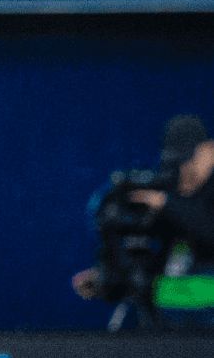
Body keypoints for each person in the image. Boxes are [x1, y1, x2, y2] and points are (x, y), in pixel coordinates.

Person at [73, 114, 214, 329]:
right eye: (174, 163)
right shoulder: (170, 199)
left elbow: (207, 235)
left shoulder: (178, 203)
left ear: (208, 152)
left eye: (186, 161)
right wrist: (109, 279)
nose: (180, 171)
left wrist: (166, 204)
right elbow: (155, 269)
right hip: (169, 331)